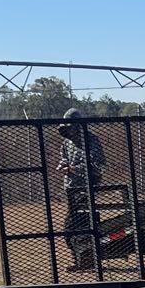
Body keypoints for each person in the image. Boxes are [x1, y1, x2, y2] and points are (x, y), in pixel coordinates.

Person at [56, 108, 105, 271]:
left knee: (79, 225)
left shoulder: (91, 141)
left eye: (72, 127)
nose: (70, 131)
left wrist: (74, 169)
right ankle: (82, 260)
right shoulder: (66, 143)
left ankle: (86, 260)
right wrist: (63, 166)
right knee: (72, 227)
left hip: (87, 189)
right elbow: (63, 159)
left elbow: (98, 166)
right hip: (71, 189)